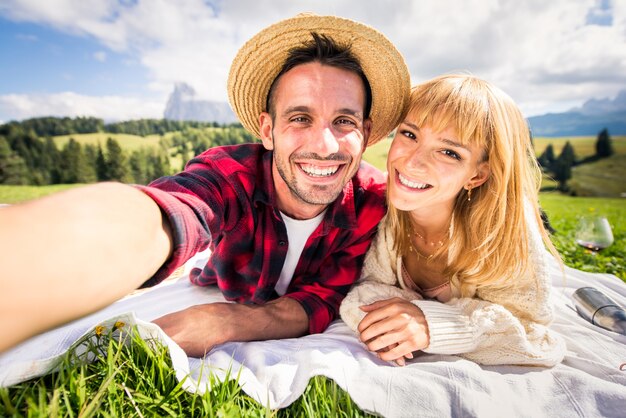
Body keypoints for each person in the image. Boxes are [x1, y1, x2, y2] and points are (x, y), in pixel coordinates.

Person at [0, 14, 410, 356]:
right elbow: (168, 213)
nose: (324, 146)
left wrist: (226, 319)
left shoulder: (375, 203)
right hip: (212, 279)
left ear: (366, 133)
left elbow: (323, 299)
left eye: (344, 122)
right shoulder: (230, 174)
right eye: (300, 118)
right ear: (267, 130)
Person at [340, 74, 567, 367]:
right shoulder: (383, 213)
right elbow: (361, 291)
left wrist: (431, 324)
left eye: (449, 152)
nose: (412, 162)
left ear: (477, 175)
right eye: (409, 134)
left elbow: (531, 331)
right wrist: (401, 321)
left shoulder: (505, 232)